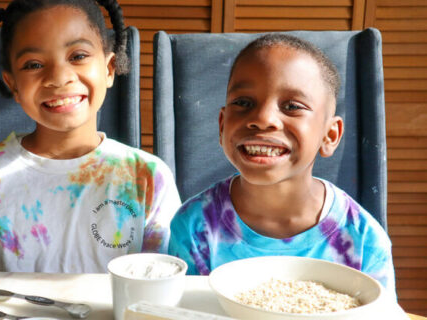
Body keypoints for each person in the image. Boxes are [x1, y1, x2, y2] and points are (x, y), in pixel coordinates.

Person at [0, 0, 180, 275]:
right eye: (34, 64)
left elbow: (164, 297)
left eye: (78, 56)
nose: (59, 78)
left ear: (109, 69)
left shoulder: (148, 177)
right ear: (12, 83)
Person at [168, 34, 395, 295]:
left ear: (329, 135)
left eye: (292, 106)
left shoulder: (364, 241)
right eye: (243, 103)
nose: (263, 118)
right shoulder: (194, 229)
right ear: (222, 126)